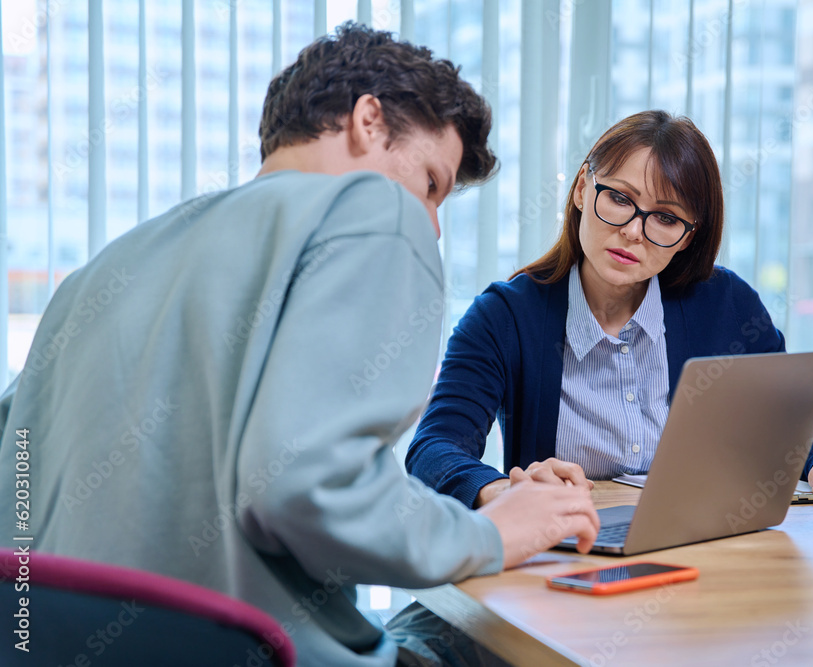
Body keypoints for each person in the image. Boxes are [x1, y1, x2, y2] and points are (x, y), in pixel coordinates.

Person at [0, 23, 598, 667]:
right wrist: (487, 534)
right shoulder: (372, 213)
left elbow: (18, 477)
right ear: (368, 120)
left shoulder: (105, 267)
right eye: (431, 184)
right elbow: (306, 483)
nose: (432, 226)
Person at [406, 110, 813, 510]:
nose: (633, 232)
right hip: (571, 555)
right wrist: (500, 490)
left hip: (708, 550)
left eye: (665, 218)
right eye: (620, 199)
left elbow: (799, 422)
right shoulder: (505, 317)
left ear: (687, 236)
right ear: (583, 190)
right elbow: (433, 447)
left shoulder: (726, 305)